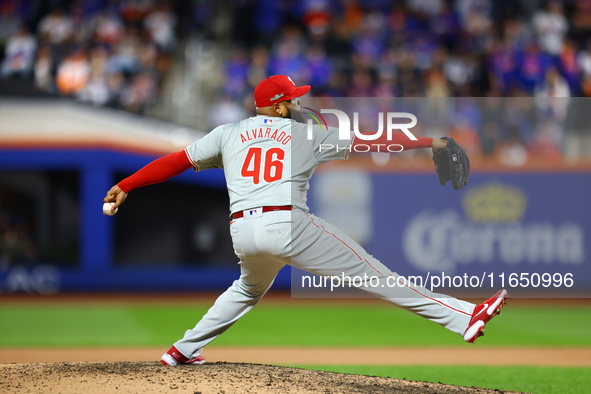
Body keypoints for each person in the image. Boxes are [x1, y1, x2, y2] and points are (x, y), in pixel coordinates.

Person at [103, 75, 508, 366]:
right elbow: (373, 139)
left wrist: (128, 184)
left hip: (242, 231)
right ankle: (463, 317)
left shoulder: (228, 132)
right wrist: (431, 142)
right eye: (292, 100)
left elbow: (176, 161)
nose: (298, 104)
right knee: (375, 274)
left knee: (246, 289)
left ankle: (181, 350)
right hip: (288, 225)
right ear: (278, 106)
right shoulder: (307, 135)